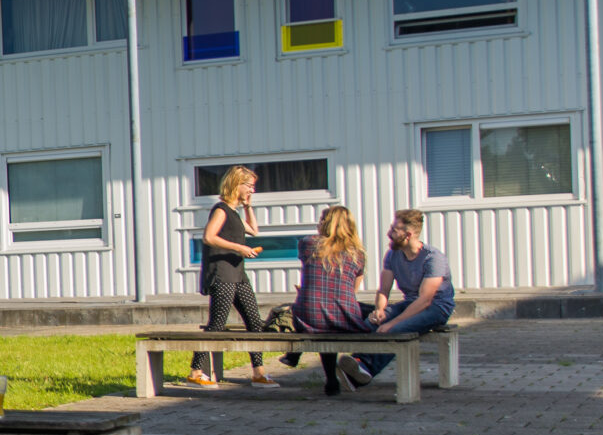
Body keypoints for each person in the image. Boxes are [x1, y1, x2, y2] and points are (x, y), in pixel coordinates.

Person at [191, 166, 271, 388]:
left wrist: (248, 207)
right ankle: (196, 371)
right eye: (250, 186)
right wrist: (239, 248)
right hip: (222, 274)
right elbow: (209, 237)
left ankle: (258, 372)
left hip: (238, 274)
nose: (252, 190)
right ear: (237, 184)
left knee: (254, 322)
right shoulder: (221, 210)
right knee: (217, 323)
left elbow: (253, 231)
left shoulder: (234, 212)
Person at [285, 204, 374, 394]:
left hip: (308, 316)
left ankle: (329, 378)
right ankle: (359, 365)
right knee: (369, 313)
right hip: (342, 317)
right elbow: (352, 291)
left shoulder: (308, 243)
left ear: (326, 223)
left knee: (321, 314)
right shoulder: (357, 253)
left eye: (321, 220)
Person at [357, 208, 454, 380]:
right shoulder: (392, 255)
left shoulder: (433, 258)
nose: (389, 233)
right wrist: (380, 310)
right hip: (410, 304)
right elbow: (383, 290)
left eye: (394, 230)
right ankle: (356, 366)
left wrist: (392, 322)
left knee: (395, 330)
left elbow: (425, 300)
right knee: (369, 324)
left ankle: (365, 368)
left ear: (407, 235)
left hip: (436, 307)